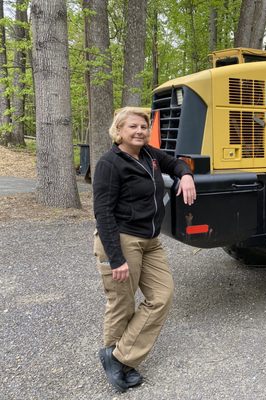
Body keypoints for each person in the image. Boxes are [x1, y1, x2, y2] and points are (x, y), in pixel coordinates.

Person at [92, 107, 196, 392]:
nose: (139, 131)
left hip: (150, 242)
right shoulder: (109, 163)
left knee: (161, 296)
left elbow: (174, 164)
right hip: (122, 240)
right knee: (122, 303)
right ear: (119, 130)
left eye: (143, 126)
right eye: (132, 127)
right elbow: (102, 213)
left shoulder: (149, 155)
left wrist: (185, 175)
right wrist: (117, 259)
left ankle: (118, 357)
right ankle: (118, 361)